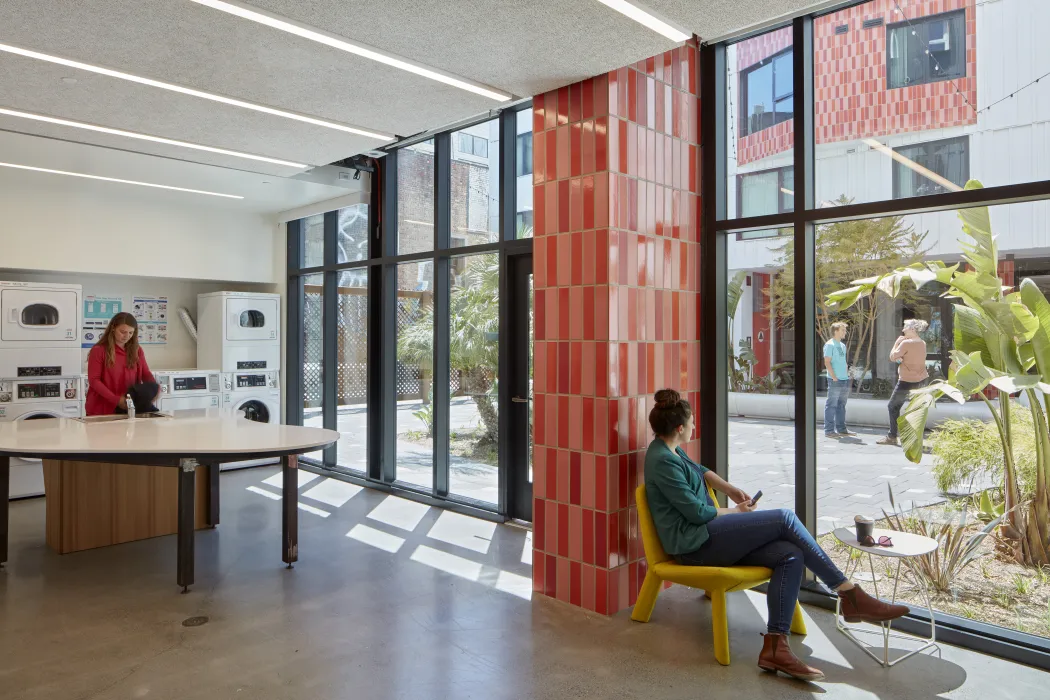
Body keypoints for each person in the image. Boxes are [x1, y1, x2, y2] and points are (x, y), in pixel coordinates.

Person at [644, 389, 908, 681]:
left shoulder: (671, 448)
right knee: (784, 518)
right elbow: (696, 513)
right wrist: (737, 512)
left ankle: (775, 647)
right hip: (693, 545)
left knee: (789, 554)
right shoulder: (660, 460)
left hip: (708, 535)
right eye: (692, 423)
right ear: (680, 428)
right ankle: (848, 594)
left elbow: (700, 470)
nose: (694, 427)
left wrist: (730, 490)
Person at [85, 312, 159, 416]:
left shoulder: (136, 350)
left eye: (130, 333)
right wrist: (116, 400)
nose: (126, 336)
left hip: (128, 406)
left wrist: (155, 389)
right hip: (102, 408)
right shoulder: (99, 351)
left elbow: (145, 373)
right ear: (113, 328)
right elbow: (94, 381)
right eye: (123, 332)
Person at [877, 319, 930, 446]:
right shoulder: (922, 343)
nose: (903, 329)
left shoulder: (905, 343)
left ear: (912, 329)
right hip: (921, 380)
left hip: (906, 381)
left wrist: (896, 343)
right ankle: (914, 438)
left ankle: (892, 436)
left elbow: (891, 356)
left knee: (892, 406)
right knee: (916, 409)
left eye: (905, 327)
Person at [823, 321, 856, 438]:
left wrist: (846, 375)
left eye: (845, 330)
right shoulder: (830, 345)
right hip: (835, 380)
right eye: (843, 330)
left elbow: (843, 362)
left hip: (844, 379)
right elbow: (827, 362)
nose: (845, 332)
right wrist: (834, 377)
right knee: (831, 405)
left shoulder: (842, 345)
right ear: (836, 331)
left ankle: (842, 429)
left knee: (841, 405)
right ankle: (829, 431)